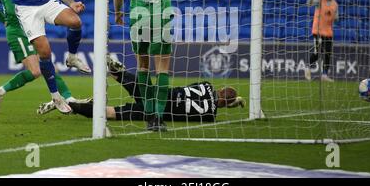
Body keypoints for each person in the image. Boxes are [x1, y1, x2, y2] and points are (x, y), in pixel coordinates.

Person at [113, 0, 185, 131]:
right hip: (161, 14)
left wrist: (118, 14)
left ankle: (149, 116)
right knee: (162, 68)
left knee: (143, 67)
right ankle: (159, 119)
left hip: (138, 14)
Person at [38, 56, 246, 127]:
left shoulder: (207, 85)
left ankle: (113, 70)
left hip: (162, 94)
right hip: (159, 111)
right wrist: (233, 101)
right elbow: (216, 104)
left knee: (135, 84)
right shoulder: (211, 116)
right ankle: (68, 105)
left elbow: (194, 90)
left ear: (219, 89)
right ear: (224, 104)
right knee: (111, 113)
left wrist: (231, 99)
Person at [0, 0, 90, 114]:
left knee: (48, 66)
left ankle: (68, 98)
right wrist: (4, 21)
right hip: (18, 32)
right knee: (36, 71)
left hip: (29, 29)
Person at [304, 0, 338, 82]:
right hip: (317, 31)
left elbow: (336, 18)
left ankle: (324, 75)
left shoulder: (335, 4)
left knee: (327, 54)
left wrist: (334, 17)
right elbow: (308, 3)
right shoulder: (319, 0)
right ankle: (307, 67)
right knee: (317, 53)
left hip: (328, 33)